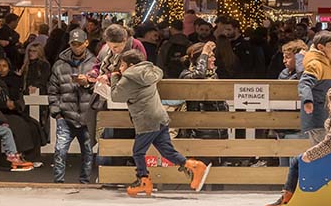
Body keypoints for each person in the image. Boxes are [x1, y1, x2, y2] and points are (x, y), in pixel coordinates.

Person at [110, 49, 210, 196]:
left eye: (122, 65)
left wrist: (114, 78)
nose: (120, 68)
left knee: (138, 152)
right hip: (160, 117)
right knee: (166, 150)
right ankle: (193, 166)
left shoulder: (128, 78)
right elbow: (159, 73)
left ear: (130, 65)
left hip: (147, 120)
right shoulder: (150, 71)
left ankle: (143, 180)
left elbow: (116, 96)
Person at [264, 82, 331, 206]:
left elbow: (329, 144)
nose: (328, 106)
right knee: (300, 160)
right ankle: (289, 194)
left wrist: (309, 155)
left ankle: (287, 197)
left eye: (330, 102)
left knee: (297, 161)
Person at [48, 28, 97, 183]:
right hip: (66, 115)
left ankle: (85, 182)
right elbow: (52, 90)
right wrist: (57, 112)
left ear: (86, 43)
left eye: (79, 43)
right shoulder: (59, 65)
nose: (76, 46)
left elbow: (100, 89)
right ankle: (58, 183)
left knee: (88, 153)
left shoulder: (95, 64)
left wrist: (88, 83)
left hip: (86, 116)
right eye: (73, 43)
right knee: (60, 151)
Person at [0, 57, 44, 165]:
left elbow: (19, 98)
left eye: (4, 66)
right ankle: (21, 156)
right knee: (19, 126)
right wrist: (5, 105)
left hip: (15, 111)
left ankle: (33, 158)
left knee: (33, 125)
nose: (2, 69)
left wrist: (15, 105)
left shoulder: (14, 80)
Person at [297, 31, 331, 144]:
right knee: (320, 153)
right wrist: (308, 101)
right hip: (318, 117)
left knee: (322, 152)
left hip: (324, 116)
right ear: (321, 47)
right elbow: (304, 83)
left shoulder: (326, 63)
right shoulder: (316, 64)